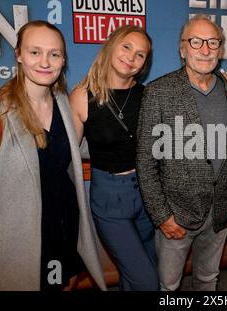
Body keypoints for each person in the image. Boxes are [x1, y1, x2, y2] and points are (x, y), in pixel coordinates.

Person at [0, 20, 106, 291]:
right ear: (18, 55)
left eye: (54, 54)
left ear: (63, 59)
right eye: (35, 52)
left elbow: (77, 148)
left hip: (66, 224)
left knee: (66, 284)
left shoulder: (63, 102)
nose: (45, 62)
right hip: (23, 240)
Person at [136, 14, 227, 291]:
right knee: (168, 286)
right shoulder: (158, 92)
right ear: (182, 49)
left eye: (212, 42)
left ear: (220, 49)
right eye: (196, 42)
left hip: (220, 209)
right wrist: (162, 216)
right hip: (177, 213)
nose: (205, 49)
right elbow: (146, 161)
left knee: (208, 279)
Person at [69, 25, 159, 291]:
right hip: (109, 199)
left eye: (140, 54)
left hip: (147, 193)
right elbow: (70, 159)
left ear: (144, 64)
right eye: (127, 47)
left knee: (142, 273)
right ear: (111, 46)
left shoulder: (148, 96)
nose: (131, 57)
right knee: (147, 282)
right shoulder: (82, 97)